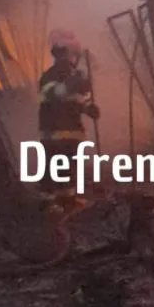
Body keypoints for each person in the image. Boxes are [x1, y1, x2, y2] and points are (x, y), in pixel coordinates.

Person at [38, 28, 100, 210]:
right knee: (52, 167)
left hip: (73, 130)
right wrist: (71, 84)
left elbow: (79, 100)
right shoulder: (49, 76)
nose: (71, 59)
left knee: (69, 166)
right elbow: (53, 94)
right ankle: (47, 202)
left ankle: (68, 199)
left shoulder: (77, 76)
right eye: (68, 54)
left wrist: (89, 108)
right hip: (54, 132)